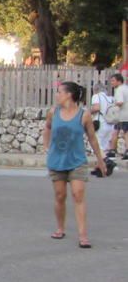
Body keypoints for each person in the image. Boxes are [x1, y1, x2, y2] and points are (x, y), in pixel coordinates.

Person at [44, 82, 107, 248]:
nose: (56, 95)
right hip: (57, 161)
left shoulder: (84, 115)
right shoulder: (53, 112)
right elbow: (47, 128)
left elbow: (92, 138)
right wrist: (46, 147)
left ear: (69, 95)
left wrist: (100, 160)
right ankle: (60, 228)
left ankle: (83, 235)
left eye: (59, 92)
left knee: (78, 195)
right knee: (60, 196)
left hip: (77, 161)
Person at [90, 82, 115, 155]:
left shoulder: (96, 96)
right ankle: (105, 162)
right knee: (105, 145)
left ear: (95, 89)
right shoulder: (110, 98)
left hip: (100, 122)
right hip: (110, 123)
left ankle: (101, 162)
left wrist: (88, 112)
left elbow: (96, 108)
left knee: (97, 144)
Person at [108, 74, 127, 159]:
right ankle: (112, 150)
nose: (111, 83)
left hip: (122, 115)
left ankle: (125, 151)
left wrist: (112, 105)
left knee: (126, 133)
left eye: (113, 81)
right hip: (123, 115)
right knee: (115, 131)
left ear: (119, 81)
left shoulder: (119, 90)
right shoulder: (126, 88)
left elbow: (120, 102)